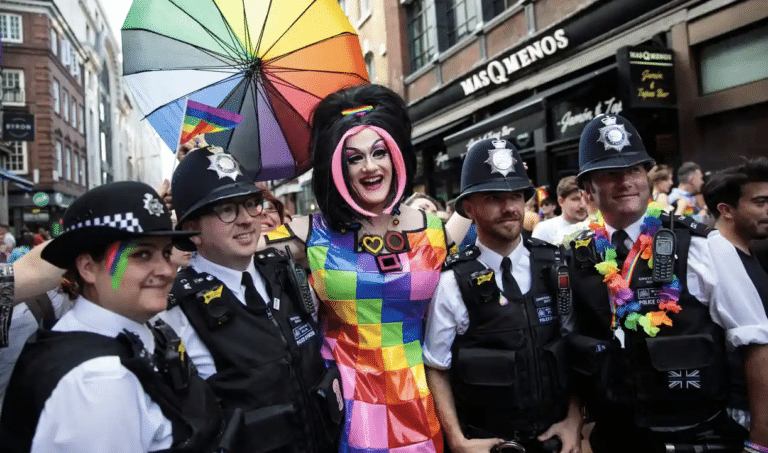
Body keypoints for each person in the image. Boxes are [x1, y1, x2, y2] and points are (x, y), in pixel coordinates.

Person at [264, 84, 447, 453]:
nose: (369, 166)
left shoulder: (437, 229)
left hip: (420, 403)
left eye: (379, 152)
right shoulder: (306, 233)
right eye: (353, 158)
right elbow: (229, 254)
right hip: (343, 406)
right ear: (336, 167)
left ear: (396, 157)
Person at [568, 114, 765, 453]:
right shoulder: (578, 257)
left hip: (696, 436)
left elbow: (758, 345)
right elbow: (570, 350)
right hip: (617, 438)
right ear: (588, 190)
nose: (626, 182)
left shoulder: (705, 245)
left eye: (634, 170)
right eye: (611, 173)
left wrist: (760, 444)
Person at [0, 181, 227, 452]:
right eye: (142, 254)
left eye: (166, 253)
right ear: (87, 268)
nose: (166, 269)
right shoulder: (99, 379)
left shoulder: (134, 332)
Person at [163, 146, 342, 453]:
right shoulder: (177, 311)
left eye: (250, 204)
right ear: (192, 230)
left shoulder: (286, 275)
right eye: (226, 209)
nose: (246, 219)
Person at [424, 138, 583, 453]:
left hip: (555, 442)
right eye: (495, 197)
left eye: (516, 196)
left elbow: (576, 348)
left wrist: (574, 422)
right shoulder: (451, 282)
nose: (509, 207)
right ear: (469, 208)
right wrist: (457, 441)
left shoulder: (556, 265)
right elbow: (436, 366)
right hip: (490, 445)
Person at [702, 157, 768, 439]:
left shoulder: (749, 251)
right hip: (740, 415)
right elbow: (754, 346)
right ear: (726, 210)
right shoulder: (716, 254)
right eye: (760, 203)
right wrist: (759, 441)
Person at [533, 176, 588, 245]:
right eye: (575, 199)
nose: (582, 205)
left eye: (585, 198)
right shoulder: (544, 229)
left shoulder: (596, 226)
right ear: (561, 201)